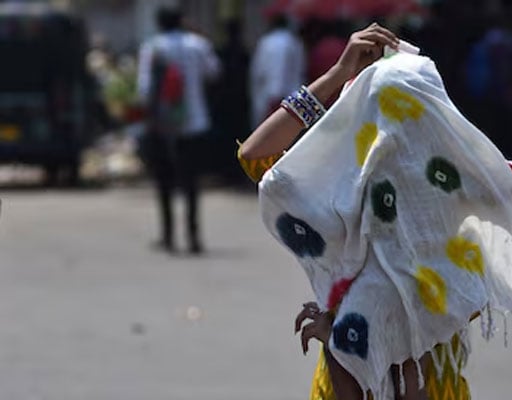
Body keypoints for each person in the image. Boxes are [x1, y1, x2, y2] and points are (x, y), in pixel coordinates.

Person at [239, 23, 473, 400]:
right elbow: (255, 156)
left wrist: (337, 340)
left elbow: (256, 156)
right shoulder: (452, 198)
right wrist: (339, 74)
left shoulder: (348, 195)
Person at [137, 7, 221, 254]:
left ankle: (168, 235)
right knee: (191, 182)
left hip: (163, 124)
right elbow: (214, 72)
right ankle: (194, 236)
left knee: (164, 181)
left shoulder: (152, 47)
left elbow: (144, 89)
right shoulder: (198, 44)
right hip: (195, 121)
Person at [248, 15, 306, 128]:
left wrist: (275, 98)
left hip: (274, 100)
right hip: (292, 98)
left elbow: (271, 73)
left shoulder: (268, 42)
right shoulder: (294, 42)